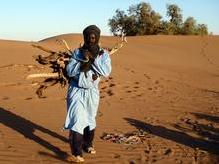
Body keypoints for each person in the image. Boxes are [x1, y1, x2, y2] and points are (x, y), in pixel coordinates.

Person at [64, 25, 112, 163]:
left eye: (93, 37)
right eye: (88, 37)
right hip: (76, 90)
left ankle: (88, 144)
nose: (91, 39)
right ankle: (77, 153)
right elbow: (70, 71)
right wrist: (83, 61)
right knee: (77, 119)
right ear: (84, 37)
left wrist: (93, 59)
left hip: (92, 92)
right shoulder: (77, 52)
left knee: (90, 119)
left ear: (97, 37)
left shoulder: (103, 54)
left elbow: (106, 72)